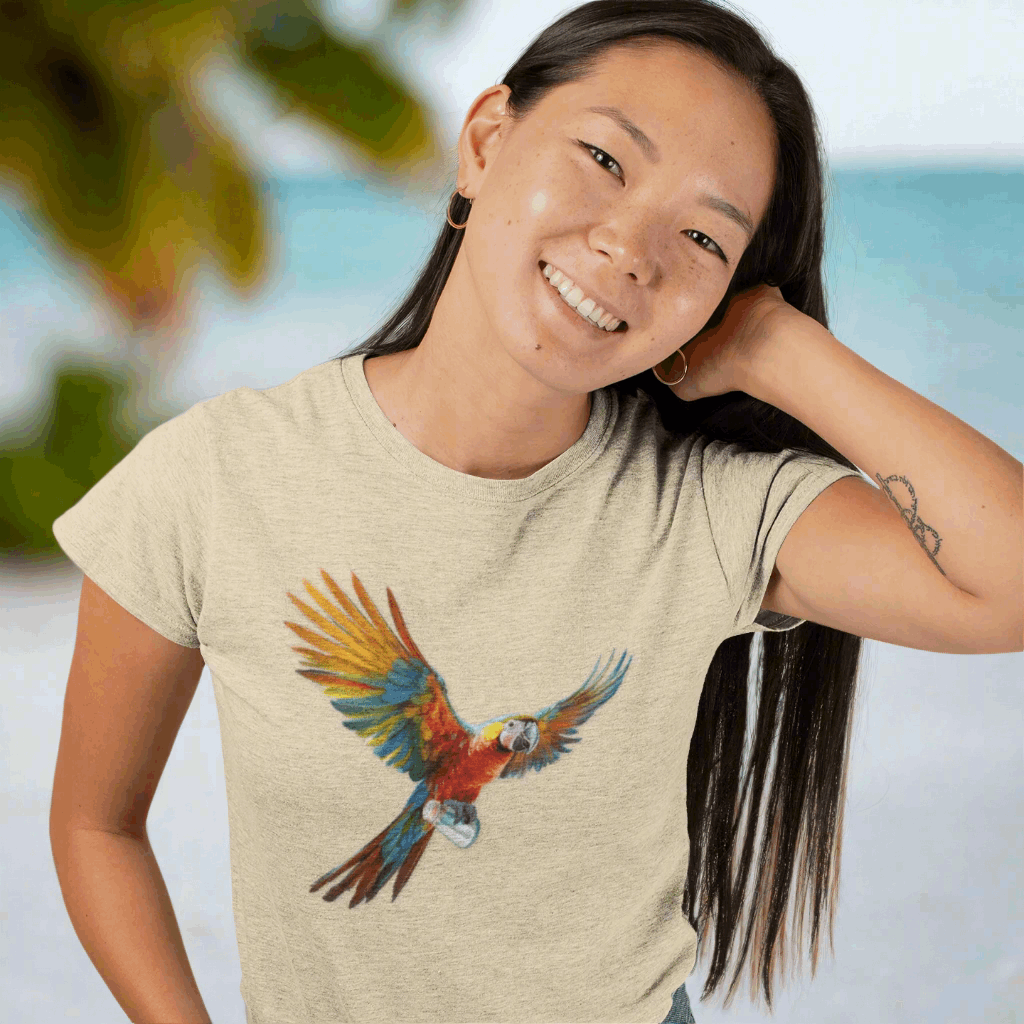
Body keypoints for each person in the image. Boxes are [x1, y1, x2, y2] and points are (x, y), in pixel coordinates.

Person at [48, 1, 1022, 1022]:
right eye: (605, 159)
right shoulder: (214, 474)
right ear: (484, 142)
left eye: (704, 236)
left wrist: (782, 352)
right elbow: (96, 825)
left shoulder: (708, 508)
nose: (630, 247)